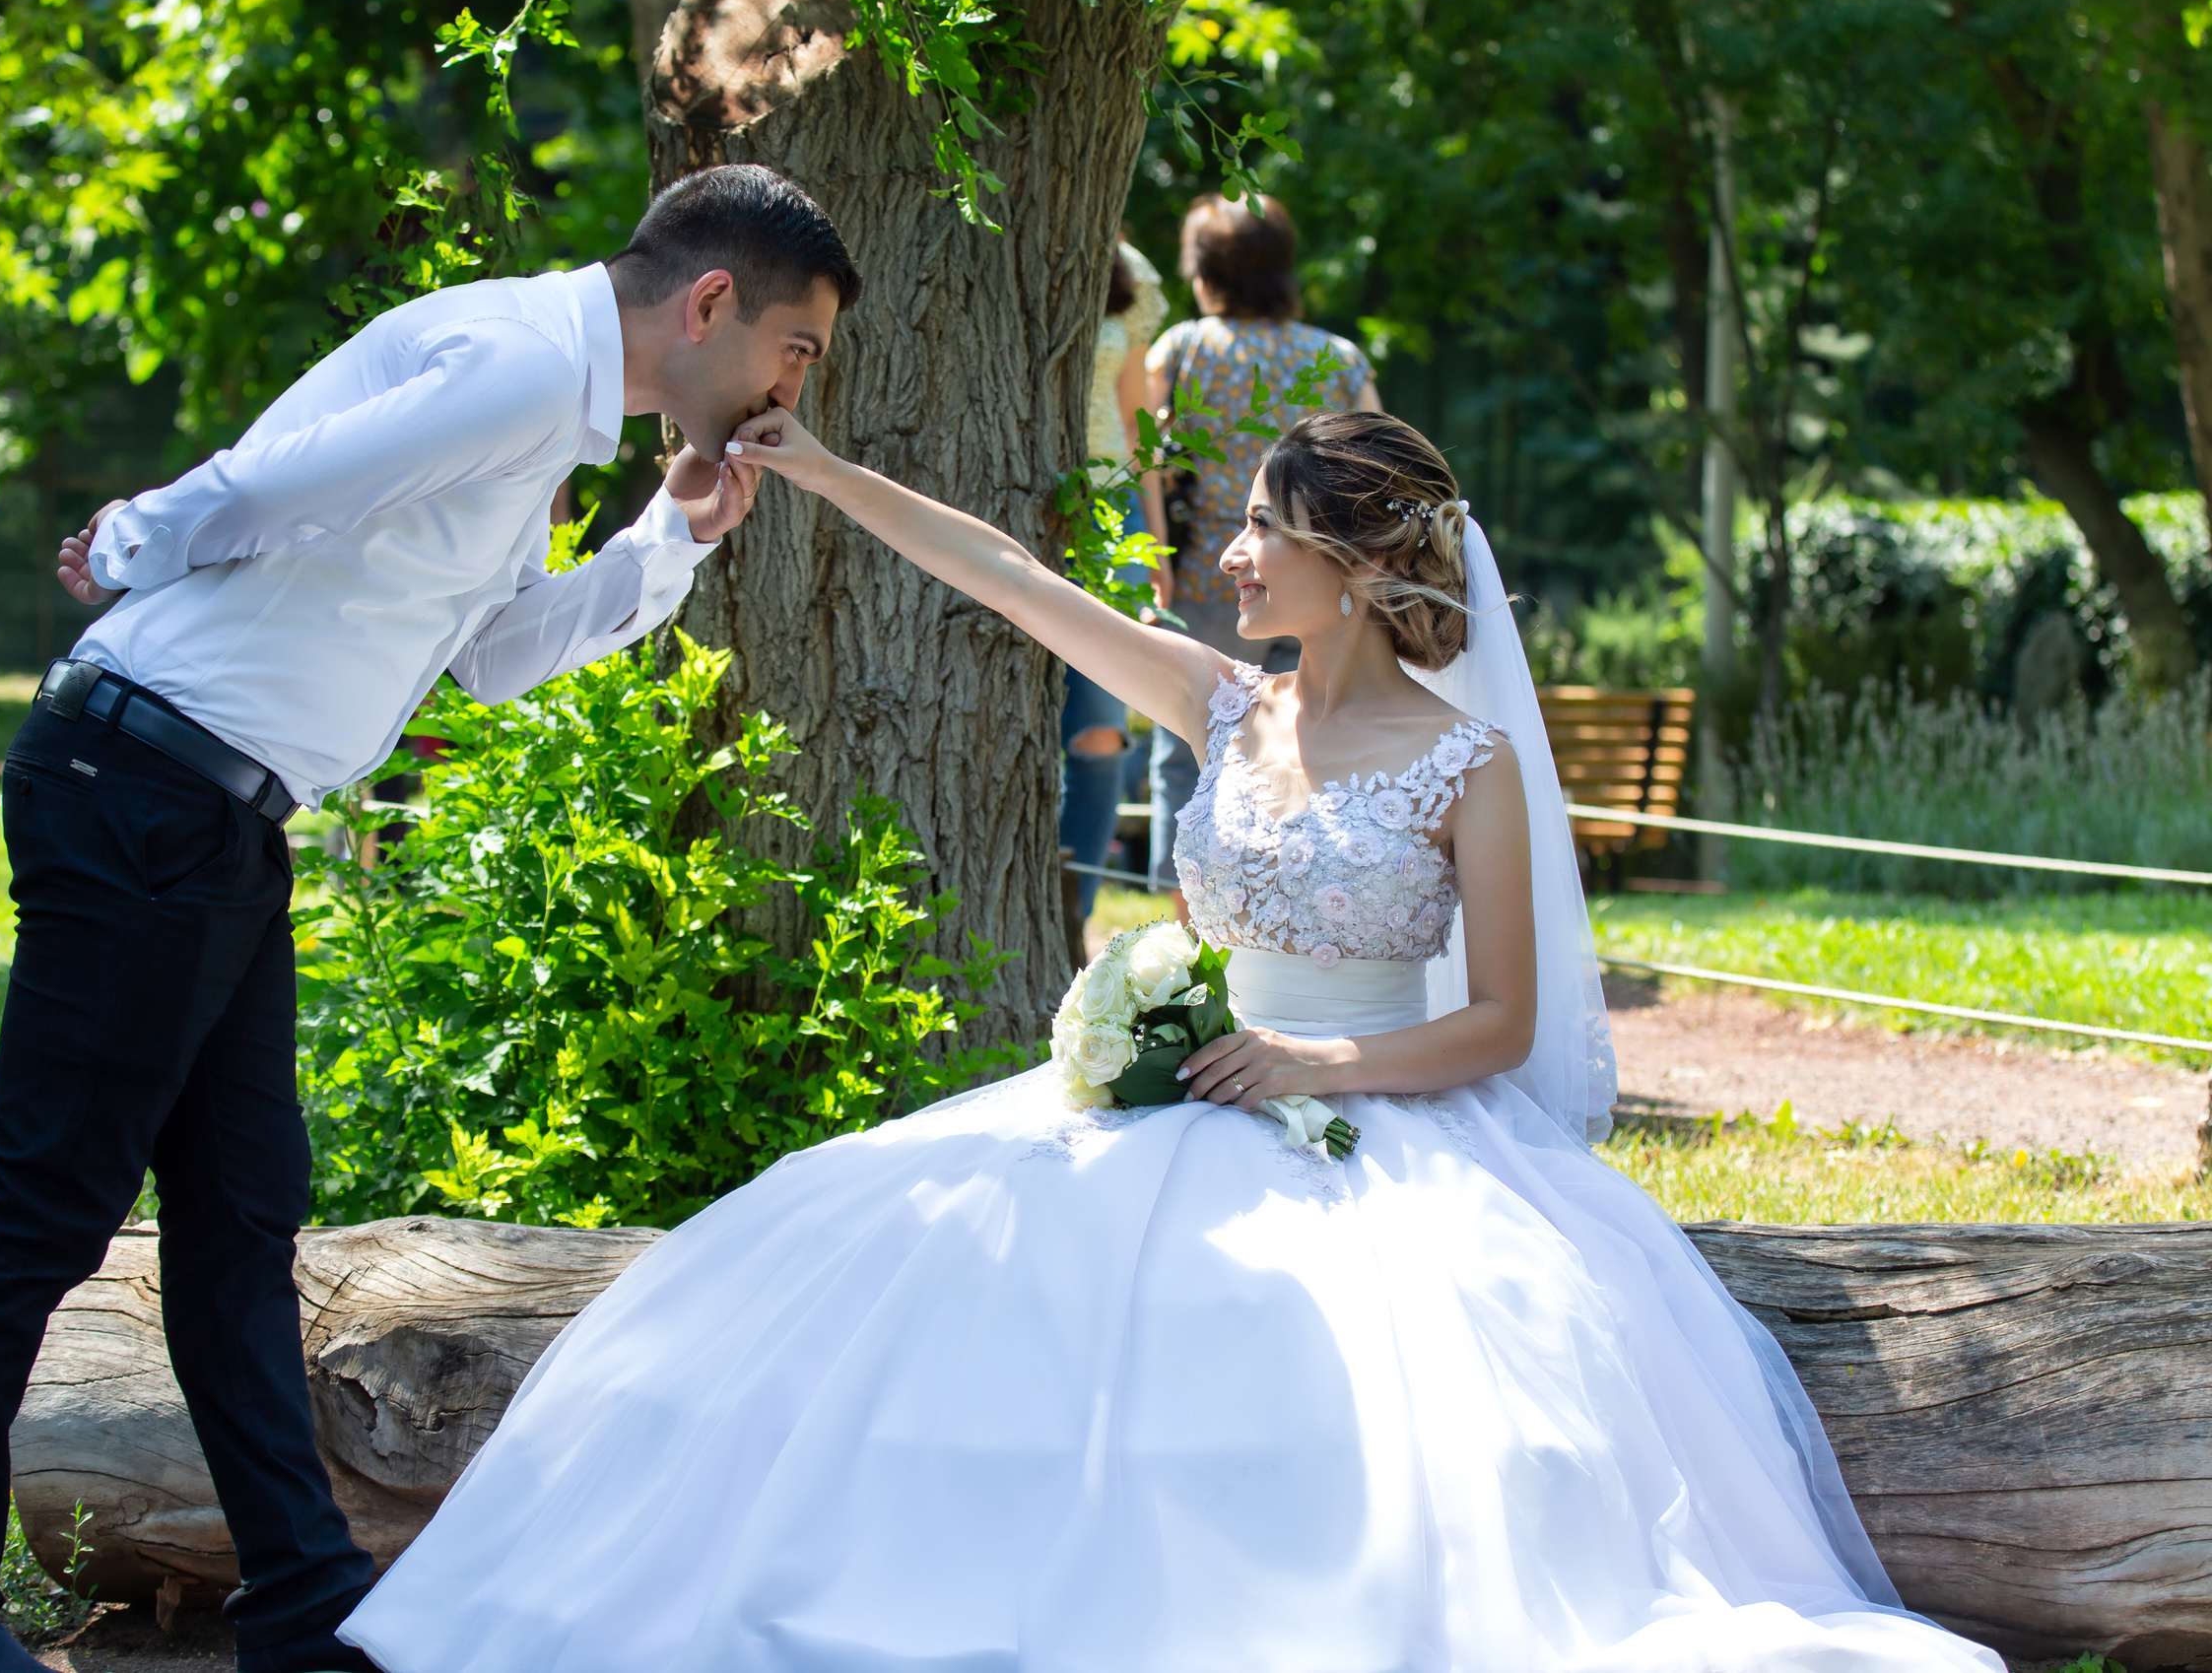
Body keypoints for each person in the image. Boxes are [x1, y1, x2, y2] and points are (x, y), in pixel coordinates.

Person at [332, 402, 2005, 1673]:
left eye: (1266, 531)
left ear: (1353, 564)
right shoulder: (1224, 701)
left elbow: (1500, 1019)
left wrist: (1317, 1066)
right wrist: (831, 474)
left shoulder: (1468, 766)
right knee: (866, 1258)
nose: (1232, 555)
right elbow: (1011, 579)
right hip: (1167, 1093)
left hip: (1379, 1119)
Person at [0, 167, 858, 1673]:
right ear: (712, 305)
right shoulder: (522, 364)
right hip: (142, 779)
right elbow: (273, 487)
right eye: (800, 349)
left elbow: (493, 656)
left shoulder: (547, 401)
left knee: (243, 1214)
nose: (796, 385)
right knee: (38, 1208)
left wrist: (673, 537)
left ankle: (307, 1607)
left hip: (214, 814)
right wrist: (130, 539)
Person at [1146, 193, 1381, 902]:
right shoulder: (1338, 358)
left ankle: (1185, 921)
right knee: (1315, 739)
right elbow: (1375, 475)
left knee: (1191, 748)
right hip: (1317, 586)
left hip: (1208, 582)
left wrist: (1156, 561)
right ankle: (1307, 892)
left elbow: (1149, 463)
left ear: (1206, 272)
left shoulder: (1183, 348)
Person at [1058, 238, 1170, 919]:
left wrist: (1156, 547)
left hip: (1108, 515)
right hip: (1010, 501)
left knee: (1099, 730)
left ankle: (1072, 923)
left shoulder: (1127, 264)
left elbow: (1137, 426)